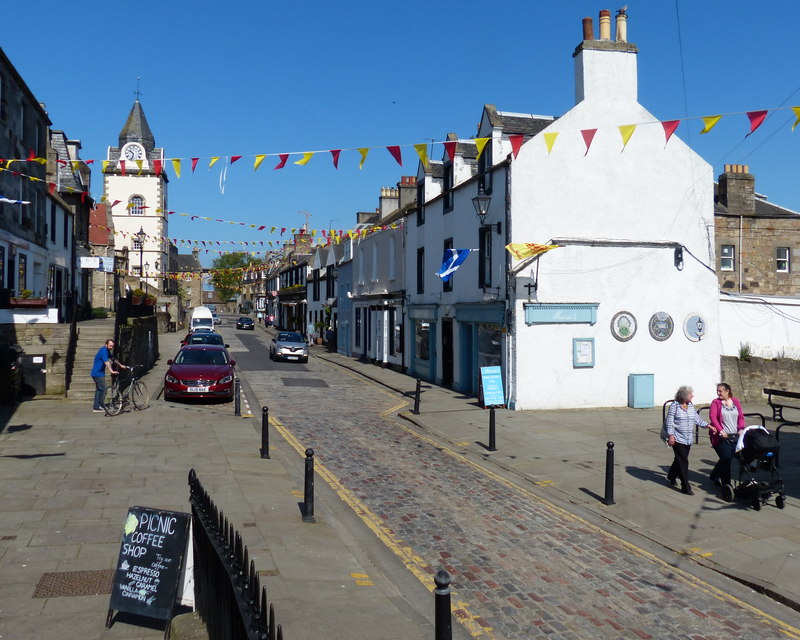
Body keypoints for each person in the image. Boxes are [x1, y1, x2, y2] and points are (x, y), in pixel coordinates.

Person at [665, 385, 708, 495]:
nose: (692, 396)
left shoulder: (690, 406)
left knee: (679, 459)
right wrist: (671, 436)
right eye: (690, 394)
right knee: (684, 461)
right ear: (684, 395)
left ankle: (671, 475)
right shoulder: (674, 406)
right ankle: (685, 486)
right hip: (677, 438)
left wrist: (708, 426)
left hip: (688, 438)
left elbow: (696, 419)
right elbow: (669, 422)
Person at [708, 382, 745, 488]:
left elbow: (741, 417)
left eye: (720, 391)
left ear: (727, 391)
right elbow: (713, 417)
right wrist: (720, 430)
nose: (718, 393)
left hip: (734, 435)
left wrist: (741, 428)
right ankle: (726, 484)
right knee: (726, 458)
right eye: (717, 391)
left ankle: (714, 475)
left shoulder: (735, 401)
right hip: (720, 437)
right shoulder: (715, 402)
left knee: (727, 457)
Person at [91, 339, 127, 413]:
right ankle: (100, 406)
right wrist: (111, 371)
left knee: (99, 390)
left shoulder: (107, 351)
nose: (111, 347)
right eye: (110, 346)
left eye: (112, 346)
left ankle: (96, 406)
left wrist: (120, 365)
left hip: (97, 373)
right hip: (97, 374)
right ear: (106, 344)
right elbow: (107, 363)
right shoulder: (103, 351)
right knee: (104, 389)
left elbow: (113, 359)